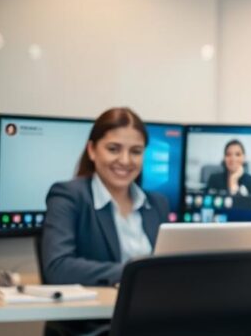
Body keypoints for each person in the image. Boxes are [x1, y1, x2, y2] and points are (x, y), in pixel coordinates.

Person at [41, 107, 170, 286]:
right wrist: (136, 272)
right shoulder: (68, 196)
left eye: (136, 151)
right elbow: (58, 268)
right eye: (113, 149)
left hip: (154, 309)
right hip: (100, 311)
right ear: (92, 150)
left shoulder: (157, 203)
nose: (125, 160)